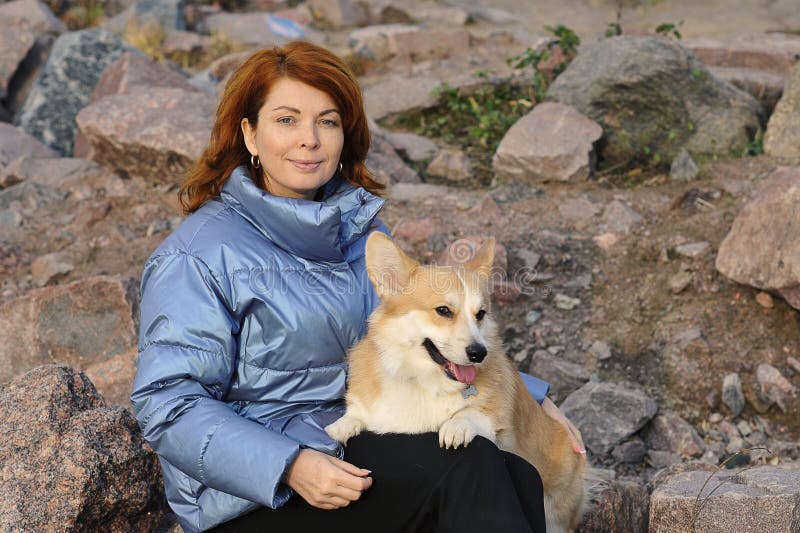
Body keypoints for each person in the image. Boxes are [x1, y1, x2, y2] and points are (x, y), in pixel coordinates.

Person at [130, 41, 584, 533]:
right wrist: (288, 465)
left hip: (346, 445)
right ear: (250, 134)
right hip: (252, 496)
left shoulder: (357, 232)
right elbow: (167, 403)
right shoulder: (198, 254)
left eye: (327, 121)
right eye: (286, 120)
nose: (310, 139)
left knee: (511, 470)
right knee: (469, 470)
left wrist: (528, 396)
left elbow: (421, 335)